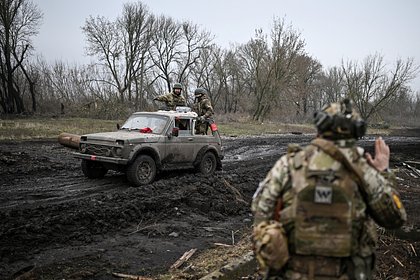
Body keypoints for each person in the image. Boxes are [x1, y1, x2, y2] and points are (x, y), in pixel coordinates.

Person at [252, 98, 407, 280]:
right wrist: (383, 172)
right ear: (355, 132)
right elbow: (395, 219)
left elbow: (260, 211)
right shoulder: (363, 171)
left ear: (319, 129)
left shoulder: (288, 165)